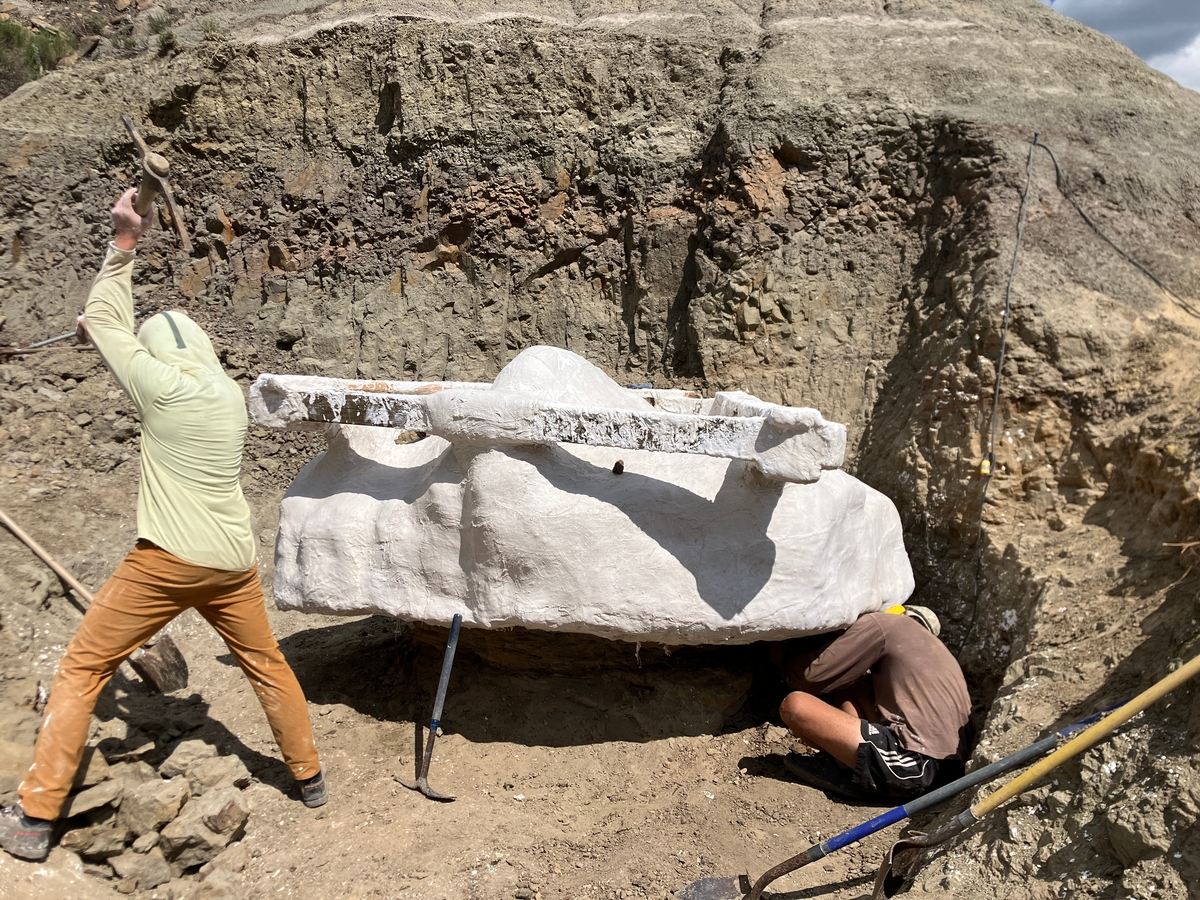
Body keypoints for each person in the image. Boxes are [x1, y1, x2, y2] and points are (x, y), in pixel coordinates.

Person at [0, 189, 326, 863]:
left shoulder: (159, 385)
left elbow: (104, 317)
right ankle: (310, 777)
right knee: (265, 663)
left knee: (83, 667)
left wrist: (124, 242)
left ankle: (32, 818)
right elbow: (118, 336)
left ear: (155, 352)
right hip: (232, 560)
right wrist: (111, 341)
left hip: (166, 560)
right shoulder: (228, 395)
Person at [773, 605, 970, 801]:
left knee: (796, 706)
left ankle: (854, 776)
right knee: (851, 688)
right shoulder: (940, 655)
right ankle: (848, 762)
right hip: (949, 773)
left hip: (915, 767)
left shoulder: (886, 624)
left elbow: (811, 676)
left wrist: (780, 657)